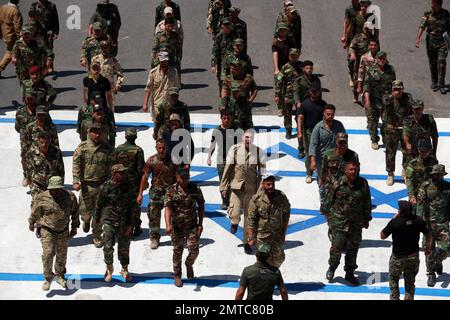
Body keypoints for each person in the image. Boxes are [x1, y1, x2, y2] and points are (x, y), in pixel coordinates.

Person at [322, 161, 372, 286]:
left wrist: (366, 219)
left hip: (356, 223)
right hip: (339, 222)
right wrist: (330, 221)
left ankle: (349, 272)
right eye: (351, 169)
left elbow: (367, 202)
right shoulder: (337, 183)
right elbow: (327, 203)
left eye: (355, 169)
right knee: (336, 247)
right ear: (345, 170)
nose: (353, 172)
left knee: (353, 248)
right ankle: (332, 267)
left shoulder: (363, 184)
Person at [28, 176, 79, 291]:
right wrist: (31, 222)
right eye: (52, 189)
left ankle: (60, 275)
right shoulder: (42, 197)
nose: (55, 191)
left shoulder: (70, 197)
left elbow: (75, 213)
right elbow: (35, 211)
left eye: (57, 189)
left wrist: (74, 228)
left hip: (63, 230)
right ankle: (47, 277)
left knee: (61, 255)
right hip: (47, 229)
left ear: (61, 188)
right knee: (48, 253)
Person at [220, 130, 266, 254]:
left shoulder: (258, 152)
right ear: (242, 137)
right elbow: (228, 168)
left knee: (248, 218)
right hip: (236, 188)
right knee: (235, 213)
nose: (248, 139)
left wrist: (261, 191)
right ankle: (234, 223)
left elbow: (262, 172)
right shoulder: (234, 149)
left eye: (251, 138)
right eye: (246, 137)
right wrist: (223, 186)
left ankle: (246, 242)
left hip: (251, 190)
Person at [72, 123, 113, 248]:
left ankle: (96, 235)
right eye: (94, 132)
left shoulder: (107, 148)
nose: (97, 135)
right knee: (84, 211)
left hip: (101, 185)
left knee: (99, 213)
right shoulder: (82, 148)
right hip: (86, 186)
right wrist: (75, 181)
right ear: (89, 133)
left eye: (99, 132)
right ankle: (86, 220)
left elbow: (111, 167)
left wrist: (111, 183)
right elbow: (76, 164)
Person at [380, 200, 431, 300]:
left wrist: (393, 219)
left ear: (401, 211)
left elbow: (382, 235)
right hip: (413, 257)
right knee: (410, 283)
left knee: (394, 280)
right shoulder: (418, 220)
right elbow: (428, 234)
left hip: (397, 258)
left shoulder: (395, 222)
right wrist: (427, 247)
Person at [164, 167, 205, 287]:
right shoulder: (171, 191)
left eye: (187, 178)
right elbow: (168, 208)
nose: (185, 180)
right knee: (177, 251)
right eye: (183, 178)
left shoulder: (195, 188)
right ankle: (177, 275)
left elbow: (201, 205)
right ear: (177, 178)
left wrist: (200, 224)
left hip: (192, 225)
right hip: (177, 227)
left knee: (194, 250)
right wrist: (168, 224)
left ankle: (189, 264)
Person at [95, 164, 135, 282]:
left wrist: (130, 224)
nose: (123, 175)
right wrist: (96, 220)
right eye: (120, 173)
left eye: (124, 173)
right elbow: (99, 205)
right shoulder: (105, 187)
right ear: (114, 174)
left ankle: (124, 269)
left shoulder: (128, 187)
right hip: (109, 221)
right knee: (107, 246)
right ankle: (109, 268)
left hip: (124, 221)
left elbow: (133, 207)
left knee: (124, 247)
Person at [137, 138, 177, 249]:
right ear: (156, 148)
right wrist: (140, 194)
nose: (161, 150)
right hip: (156, 191)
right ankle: (154, 238)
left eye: (163, 148)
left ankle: (174, 236)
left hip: (170, 190)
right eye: (159, 148)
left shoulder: (174, 160)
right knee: (153, 215)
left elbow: (179, 176)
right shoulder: (151, 161)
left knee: (174, 215)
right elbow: (145, 176)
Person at [417, 164, 450, 287]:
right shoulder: (425, 186)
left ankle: (439, 260)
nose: (437, 176)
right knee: (428, 250)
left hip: (443, 223)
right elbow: (420, 204)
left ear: (443, 174)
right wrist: (419, 221)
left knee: (446, 249)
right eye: (435, 174)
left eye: (440, 174)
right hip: (428, 224)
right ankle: (431, 273)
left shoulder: (448, 187)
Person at [247, 174, 291, 268]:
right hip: (263, 236)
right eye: (268, 184)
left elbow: (286, 213)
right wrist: (251, 237)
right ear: (263, 184)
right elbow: (251, 219)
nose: (271, 186)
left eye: (273, 184)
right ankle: (264, 279)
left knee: (278, 259)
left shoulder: (281, 197)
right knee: (263, 260)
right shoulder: (257, 199)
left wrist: (284, 233)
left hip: (277, 235)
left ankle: (272, 275)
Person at [309, 104, 346, 202]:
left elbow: (344, 141)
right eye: (328, 114)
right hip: (322, 161)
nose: (330, 116)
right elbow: (313, 144)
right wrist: (313, 161)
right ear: (324, 114)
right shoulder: (318, 128)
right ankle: (323, 202)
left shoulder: (339, 125)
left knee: (338, 181)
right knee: (322, 183)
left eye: (332, 114)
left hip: (336, 159)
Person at [114, 128, 145, 237]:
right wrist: (143, 184)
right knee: (135, 206)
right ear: (135, 137)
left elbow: (113, 166)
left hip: (120, 182)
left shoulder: (118, 149)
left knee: (121, 204)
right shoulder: (138, 150)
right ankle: (136, 227)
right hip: (134, 183)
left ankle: (122, 226)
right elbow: (141, 169)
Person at [207, 108, 240, 209]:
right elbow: (213, 145)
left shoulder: (236, 130)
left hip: (234, 160)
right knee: (223, 182)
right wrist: (209, 157)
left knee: (233, 182)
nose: (226, 120)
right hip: (221, 160)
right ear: (221, 118)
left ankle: (232, 201)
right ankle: (225, 201)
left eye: (228, 118)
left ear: (231, 119)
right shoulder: (217, 131)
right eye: (224, 118)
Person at [382, 80, 413, 185]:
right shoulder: (388, 98)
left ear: (403, 89)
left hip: (404, 128)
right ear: (392, 90)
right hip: (392, 130)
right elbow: (385, 109)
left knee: (407, 151)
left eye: (399, 89)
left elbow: (411, 112)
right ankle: (390, 174)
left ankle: (405, 171)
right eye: (395, 89)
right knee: (390, 153)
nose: (397, 92)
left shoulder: (408, 98)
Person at [363, 51, 396, 150]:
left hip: (387, 101)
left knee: (387, 122)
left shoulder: (390, 69)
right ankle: (374, 140)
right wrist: (367, 101)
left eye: (383, 58)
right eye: (380, 58)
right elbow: (366, 86)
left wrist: (395, 99)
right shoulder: (371, 71)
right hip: (374, 101)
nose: (382, 60)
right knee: (372, 122)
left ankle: (386, 139)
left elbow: (394, 85)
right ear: (376, 59)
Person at [415, 0, 450, 94]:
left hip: (442, 41)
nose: (432, 6)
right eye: (432, 4)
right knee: (433, 62)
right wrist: (418, 39)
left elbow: (449, 28)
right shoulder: (428, 14)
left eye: (434, 5)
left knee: (442, 62)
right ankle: (434, 81)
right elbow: (422, 26)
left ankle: (441, 84)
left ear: (439, 5)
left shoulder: (446, 14)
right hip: (431, 41)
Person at [296, 82, 327, 175]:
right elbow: (300, 118)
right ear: (310, 92)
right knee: (309, 153)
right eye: (313, 91)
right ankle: (309, 173)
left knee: (321, 153)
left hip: (321, 132)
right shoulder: (305, 104)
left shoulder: (323, 104)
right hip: (309, 132)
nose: (315, 93)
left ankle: (320, 172)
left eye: (317, 91)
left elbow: (327, 118)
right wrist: (300, 132)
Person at [26, 131, 64, 204]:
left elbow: (61, 169)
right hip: (37, 184)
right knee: (37, 204)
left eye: (46, 142)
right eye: (41, 142)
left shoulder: (56, 151)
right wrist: (28, 179)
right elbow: (28, 167)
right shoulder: (32, 152)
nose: (44, 145)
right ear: (38, 141)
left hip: (53, 184)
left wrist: (60, 184)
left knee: (54, 205)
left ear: (49, 141)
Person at [143, 51, 180, 123]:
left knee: (169, 124)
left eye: (165, 61)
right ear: (159, 60)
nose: (164, 63)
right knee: (157, 125)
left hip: (170, 104)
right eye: (162, 61)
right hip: (157, 104)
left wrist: (175, 103)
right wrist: (145, 104)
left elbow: (177, 87)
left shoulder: (174, 72)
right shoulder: (153, 73)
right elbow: (148, 89)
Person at [274, 48, 302, 138]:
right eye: (292, 56)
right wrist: (277, 95)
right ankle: (288, 130)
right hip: (288, 95)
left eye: (295, 56)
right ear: (289, 56)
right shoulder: (285, 67)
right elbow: (279, 82)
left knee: (300, 114)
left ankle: (300, 129)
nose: (294, 58)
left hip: (300, 95)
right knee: (287, 114)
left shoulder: (302, 66)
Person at [402, 100, 439, 167]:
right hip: (412, 149)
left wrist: (434, 152)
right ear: (412, 109)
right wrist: (407, 143)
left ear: (423, 108)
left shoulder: (429, 119)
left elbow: (435, 136)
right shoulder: (407, 120)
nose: (418, 111)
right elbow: (405, 133)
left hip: (426, 150)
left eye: (420, 109)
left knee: (431, 169)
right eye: (416, 109)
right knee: (409, 169)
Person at [405, 139, 438, 206]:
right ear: (418, 150)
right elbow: (409, 180)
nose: (424, 153)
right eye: (422, 151)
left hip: (430, 190)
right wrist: (411, 195)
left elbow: (437, 177)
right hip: (417, 191)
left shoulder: (433, 161)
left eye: (426, 151)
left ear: (430, 151)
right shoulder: (413, 163)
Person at [15, 88, 37, 186]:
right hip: (25, 140)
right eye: (27, 98)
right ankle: (26, 175)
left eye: (31, 98)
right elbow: (17, 127)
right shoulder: (20, 111)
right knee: (24, 158)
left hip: (38, 140)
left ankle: (36, 176)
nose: (29, 100)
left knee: (38, 158)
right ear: (24, 99)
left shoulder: (40, 110)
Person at [211, 18, 237, 92]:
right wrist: (213, 64)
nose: (227, 27)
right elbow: (215, 50)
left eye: (228, 25)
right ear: (222, 26)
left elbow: (239, 47)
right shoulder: (219, 36)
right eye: (225, 25)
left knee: (233, 80)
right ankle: (223, 98)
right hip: (222, 62)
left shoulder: (234, 35)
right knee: (221, 80)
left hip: (233, 62)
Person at [0, 0, 23, 78]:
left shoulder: (3, 7)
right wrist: (20, 36)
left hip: (5, 34)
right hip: (12, 36)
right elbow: (17, 26)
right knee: (10, 53)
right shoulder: (15, 11)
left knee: (16, 51)